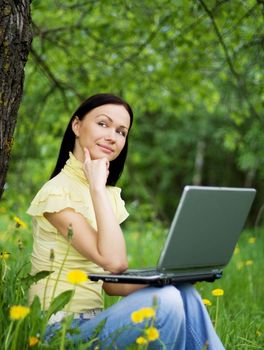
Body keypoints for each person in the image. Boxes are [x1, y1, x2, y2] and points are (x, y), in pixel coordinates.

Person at [27, 93, 225, 349]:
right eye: (103, 124)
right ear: (77, 126)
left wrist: (170, 277)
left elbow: (111, 283)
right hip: (56, 332)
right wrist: (97, 189)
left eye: (121, 131)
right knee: (165, 303)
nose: (113, 136)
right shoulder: (57, 193)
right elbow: (116, 262)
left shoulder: (106, 195)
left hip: (93, 323)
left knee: (182, 293)